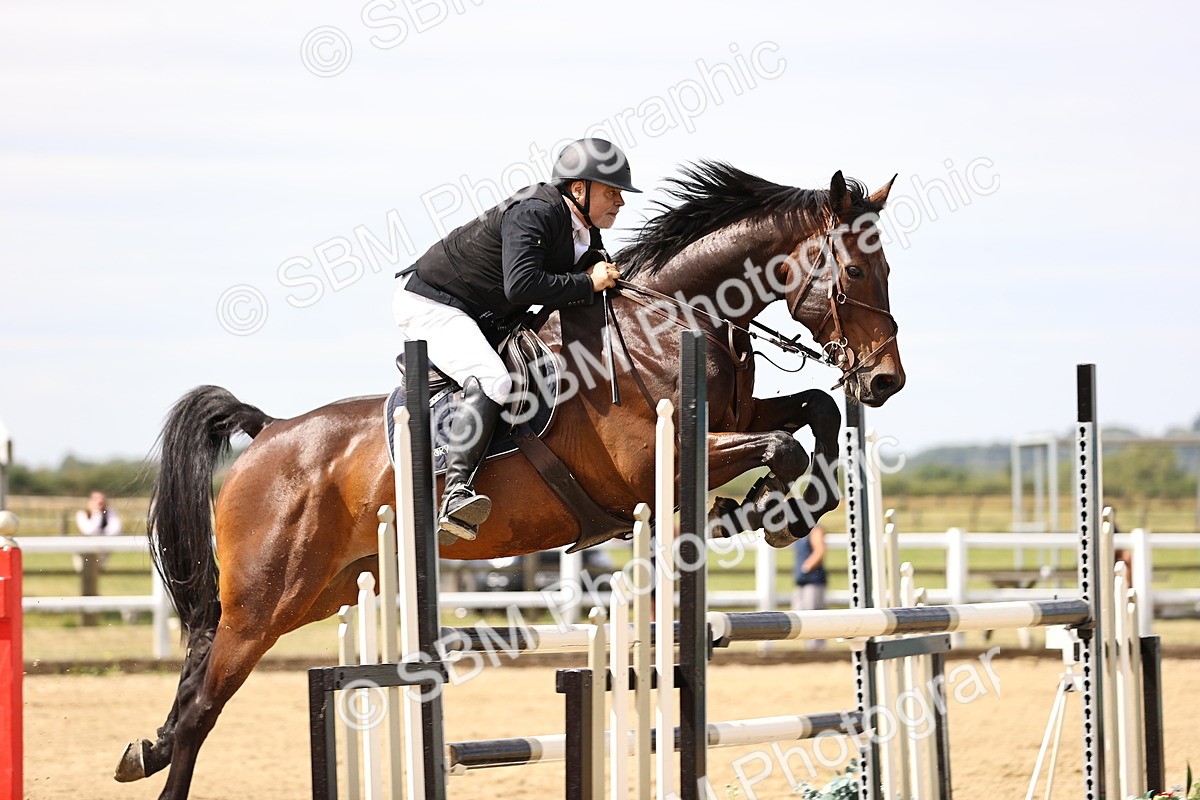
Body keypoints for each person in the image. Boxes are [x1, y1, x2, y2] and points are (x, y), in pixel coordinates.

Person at [393, 138, 639, 541]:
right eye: (612, 191)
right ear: (580, 188)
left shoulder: (584, 232)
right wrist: (586, 281)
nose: (620, 202)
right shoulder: (536, 211)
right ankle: (455, 494)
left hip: (484, 311)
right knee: (494, 379)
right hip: (434, 303)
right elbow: (523, 285)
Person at [791, 524, 828, 650]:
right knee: (799, 611)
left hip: (813, 580)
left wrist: (807, 566)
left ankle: (817, 647)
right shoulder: (800, 531)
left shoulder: (815, 530)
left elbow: (820, 550)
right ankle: (810, 646)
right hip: (802, 580)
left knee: (814, 612)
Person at [74, 490, 122, 572]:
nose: (100, 502)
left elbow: (115, 529)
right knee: (83, 570)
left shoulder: (110, 513)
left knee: (98, 570)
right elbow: (89, 531)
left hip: (102, 549)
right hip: (85, 549)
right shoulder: (82, 514)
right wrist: (97, 513)